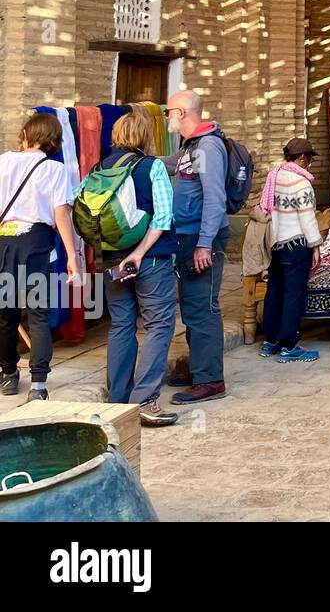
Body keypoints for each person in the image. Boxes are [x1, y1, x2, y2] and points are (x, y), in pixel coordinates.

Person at [82, 111, 179, 426]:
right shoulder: (152, 167)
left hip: (112, 260)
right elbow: (163, 218)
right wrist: (138, 253)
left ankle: (117, 401)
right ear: (144, 137)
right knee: (158, 325)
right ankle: (145, 401)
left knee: (121, 325)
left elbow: (80, 210)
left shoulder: (99, 169)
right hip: (149, 259)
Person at [0, 113, 80, 403]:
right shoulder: (54, 169)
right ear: (54, 140)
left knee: (6, 314)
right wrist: (73, 255)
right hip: (37, 243)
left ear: (25, 133)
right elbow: (61, 214)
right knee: (38, 316)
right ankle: (37, 385)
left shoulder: (3, 161)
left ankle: (9, 374)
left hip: (4, 243)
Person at [164, 89, 231, 405]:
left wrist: (204, 244)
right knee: (192, 307)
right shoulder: (190, 146)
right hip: (187, 237)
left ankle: (210, 381)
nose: (166, 117)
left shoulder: (209, 146)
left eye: (168, 111)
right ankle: (200, 370)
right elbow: (170, 164)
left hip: (201, 239)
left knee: (203, 307)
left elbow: (215, 199)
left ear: (181, 113)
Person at [257, 138, 323, 364]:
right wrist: (315, 245)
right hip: (296, 244)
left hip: (277, 243)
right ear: (302, 158)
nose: (310, 164)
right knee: (294, 294)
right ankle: (289, 345)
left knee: (274, 291)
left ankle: (271, 340)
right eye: (309, 159)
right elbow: (307, 218)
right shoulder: (301, 182)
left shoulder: (274, 176)